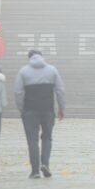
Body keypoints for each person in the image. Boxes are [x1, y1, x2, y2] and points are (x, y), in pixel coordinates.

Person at [14, 50, 66, 179]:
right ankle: (46, 164)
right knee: (47, 137)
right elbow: (60, 90)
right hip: (48, 110)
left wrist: (22, 109)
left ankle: (35, 171)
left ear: (29, 58)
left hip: (30, 111)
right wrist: (61, 108)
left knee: (32, 140)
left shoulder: (23, 71)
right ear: (42, 57)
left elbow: (18, 93)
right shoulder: (52, 70)